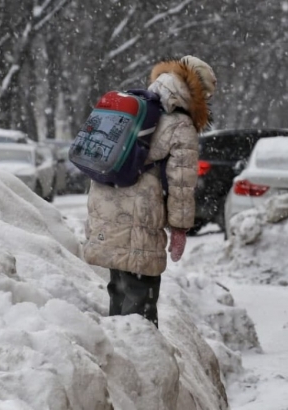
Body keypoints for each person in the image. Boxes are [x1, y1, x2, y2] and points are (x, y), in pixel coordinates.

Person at [84, 56, 216, 327]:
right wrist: (179, 229)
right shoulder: (180, 123)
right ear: (197, 92)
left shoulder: (136, 106)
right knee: (141, 300)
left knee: (119, 286)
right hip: (139, 215)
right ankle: (142, 361)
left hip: (105, 204)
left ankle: (119, 353)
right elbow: (181, 182)